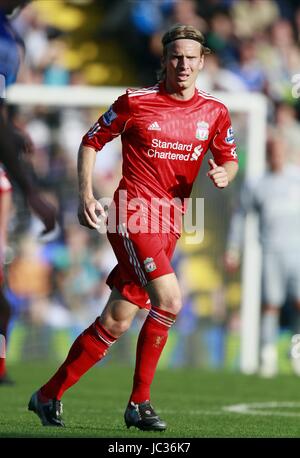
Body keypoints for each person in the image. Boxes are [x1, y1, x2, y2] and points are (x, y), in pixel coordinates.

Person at [28, 24, 238, 430]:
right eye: (175, 56)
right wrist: (86, 196)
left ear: (202, 62)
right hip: (132, 213)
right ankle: (139, 403)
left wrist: (226, 172)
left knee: (117, 319)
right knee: (171, 300)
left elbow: (229, 157)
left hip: (172, 223)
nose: (183, 64)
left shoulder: (215, 112)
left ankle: (47, 395)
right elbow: (91, 140)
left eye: (191, 57)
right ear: (163, 60)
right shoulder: (135, 102)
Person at [0, 0, 56, 385]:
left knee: (2, 299)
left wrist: (12, 131)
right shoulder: (5, 41)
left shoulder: (9, 35)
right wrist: (32, 192)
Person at [224, 135, 300, 377]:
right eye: (272, 151)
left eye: (280, 150)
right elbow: (240, 215)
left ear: (286, 151)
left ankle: (295, 351)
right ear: (268, 154)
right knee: (271, 304)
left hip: (297, 251)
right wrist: (233, 248)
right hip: (270, 252)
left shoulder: (296, 178)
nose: (277, 155)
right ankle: (267, 356)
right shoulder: (258, 183)